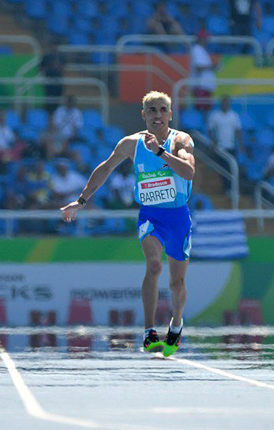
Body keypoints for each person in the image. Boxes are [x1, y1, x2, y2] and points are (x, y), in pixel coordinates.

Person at [61, 91, 195, 357]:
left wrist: (160, 152)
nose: (158, 115)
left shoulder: (180, 140)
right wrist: (81, 200)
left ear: (170, 114)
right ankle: (149, 332)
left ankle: (176, 324)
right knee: (154, 265)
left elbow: (189, 171)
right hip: (150, 215)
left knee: (177, 283)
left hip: (177, 217)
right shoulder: (131, 143)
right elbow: (106, 167)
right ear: (144, 114)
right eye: (152, 110)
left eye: (163, 110)